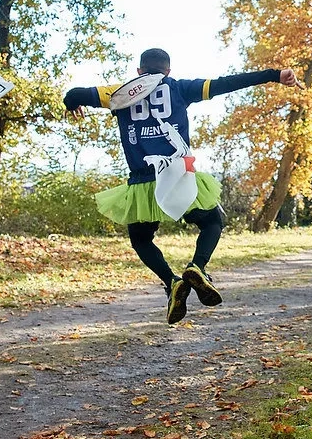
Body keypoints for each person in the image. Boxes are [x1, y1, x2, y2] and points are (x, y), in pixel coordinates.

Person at [63, 48, 297, 324]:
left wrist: (71, 103)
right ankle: (197, 267)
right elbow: (227, 83)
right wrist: (274, 75)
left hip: (142, 183)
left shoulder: (118, 93)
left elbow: (74, 94)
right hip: (177, 176)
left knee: (141, 240)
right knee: (212, 223)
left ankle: (172, 282)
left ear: (139, 71)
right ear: (168, 72)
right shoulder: (180, 89)